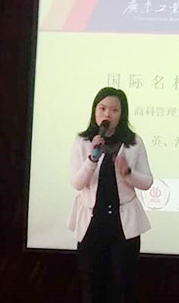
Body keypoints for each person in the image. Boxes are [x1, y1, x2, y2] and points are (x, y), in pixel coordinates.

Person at [68, 87, 153, 303]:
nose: (108, 114)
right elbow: (77, 183)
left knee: (122, 288)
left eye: (115, 110)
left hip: (123, 225)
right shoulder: (82, 142)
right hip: (92, 224)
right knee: (92, 287)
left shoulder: (134, 142)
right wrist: (92, 159)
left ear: (122, 114)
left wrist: (128, 173)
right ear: (95, 111)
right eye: (103, 108)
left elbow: (147, 182)